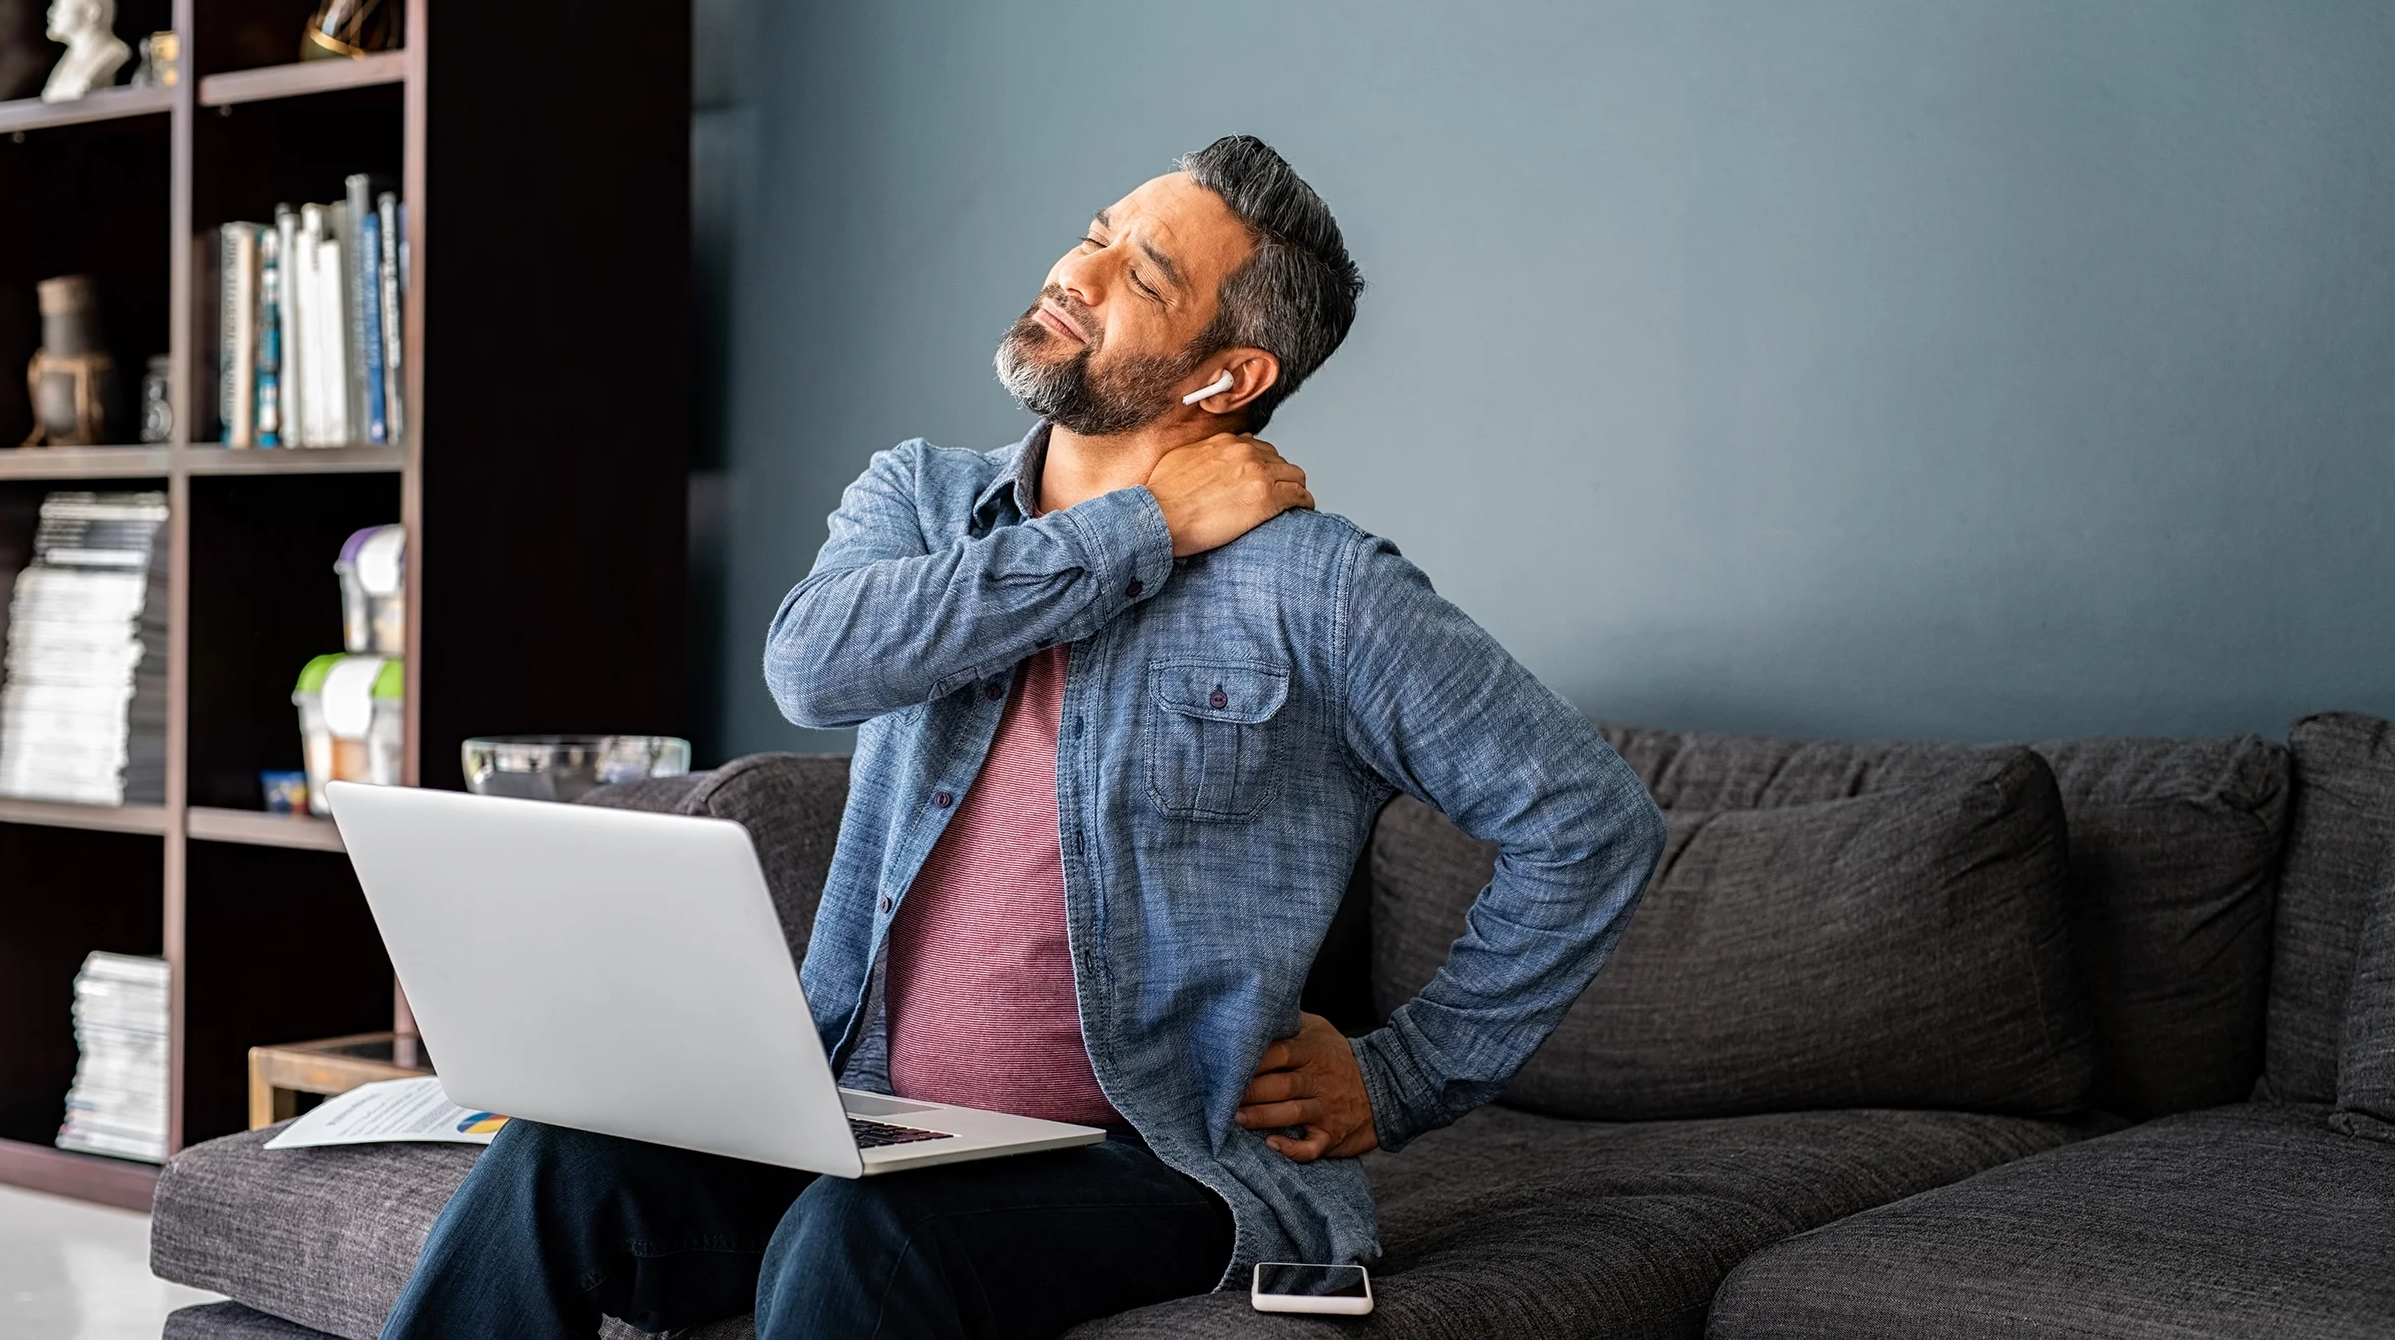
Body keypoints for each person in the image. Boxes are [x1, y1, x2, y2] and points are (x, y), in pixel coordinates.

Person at [380, 135, 1664, 1339]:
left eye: (1141, 272)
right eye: (1097, 233)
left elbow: (1590, 826)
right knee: (556, 1158)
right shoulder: (921, 499)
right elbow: (812, 667)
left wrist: (1405, 1074)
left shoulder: (1318, 590)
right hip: (861, 1114)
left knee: (859, 1234)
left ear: (1227, 377)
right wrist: (1135, 534)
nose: (1077, 271)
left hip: (1150, 1161)